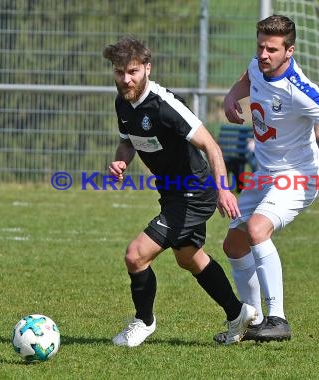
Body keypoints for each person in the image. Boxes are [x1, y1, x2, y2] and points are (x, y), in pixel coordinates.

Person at [213, 15, 319, 343]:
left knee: (256, 229)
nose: (263, 54)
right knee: (233, 245)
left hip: (299, 178)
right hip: (265, 175)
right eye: (261, 46)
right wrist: (230, 98)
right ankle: (253, 320)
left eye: (272, 49)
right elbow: (244, 81)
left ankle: (278, 319)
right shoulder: (256, 65)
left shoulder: (300, 89)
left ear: (289, 51)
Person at [103, 36, 256, 347]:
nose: (125, 79)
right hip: (171, 191)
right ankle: (237, 312)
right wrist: (121, 160)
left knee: (136, 256)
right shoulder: (122, 102)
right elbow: (128, 140)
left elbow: (211, 146)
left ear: (147, 68)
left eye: (132, 71)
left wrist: (224, 190)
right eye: (119, 72)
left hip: (195, 192)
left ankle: (143, 322)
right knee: (189, 258)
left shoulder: (164, 105)